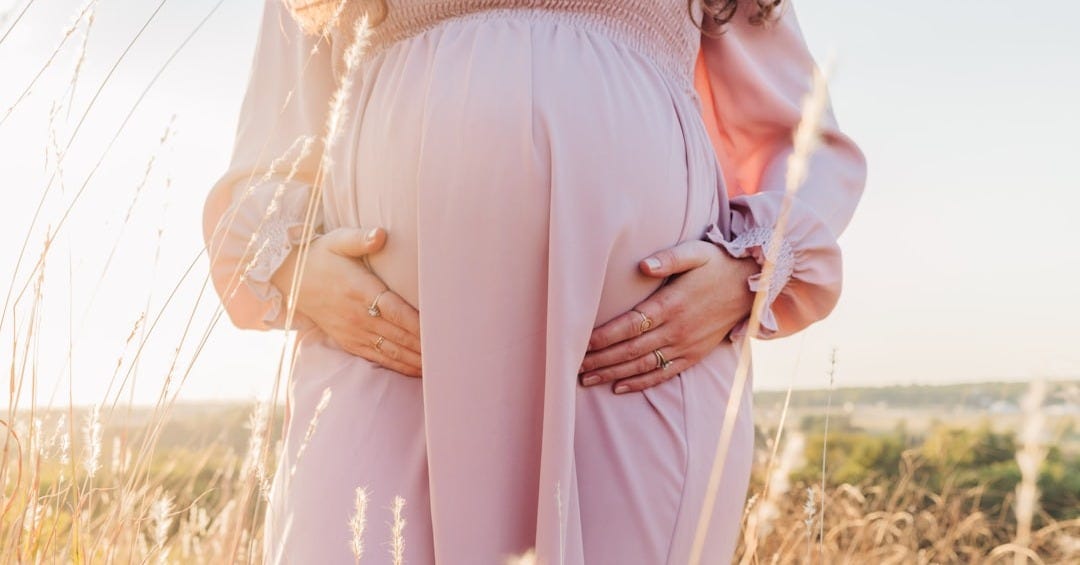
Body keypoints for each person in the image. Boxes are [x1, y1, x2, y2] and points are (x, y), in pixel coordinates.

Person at [202, 0, 866, 563]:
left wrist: (748, 270)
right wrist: (294, 268)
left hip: (640, 368)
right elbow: (273, 143)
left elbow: (802, 135)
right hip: (382, 354)